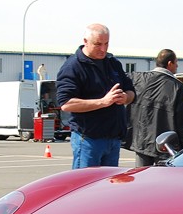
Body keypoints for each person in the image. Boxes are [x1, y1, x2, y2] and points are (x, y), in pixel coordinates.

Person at [55, 23, 136, 169]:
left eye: (106, 43)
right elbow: (66, 104)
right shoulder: (73, 67)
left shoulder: (112, 63)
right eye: (98, 44)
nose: (103, 49)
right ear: (85, 41)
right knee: (85, 186)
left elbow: (131, 92)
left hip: (113, 138)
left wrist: (125, 97)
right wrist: (103, 102)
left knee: (107, 188)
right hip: (89, 139)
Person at [125, 49, 183, 166]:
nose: (177, 66)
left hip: (141, 142)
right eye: (176, 63)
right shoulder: (178, 89)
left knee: (141, 177)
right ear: (170, 63)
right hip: (165, 146)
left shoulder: (138, 79)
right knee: (161, 179)